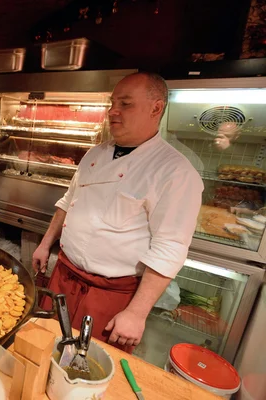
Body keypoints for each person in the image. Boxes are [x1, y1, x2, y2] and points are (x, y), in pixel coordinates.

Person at [33, 72, 203, 352]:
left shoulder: (175, 172)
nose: (113, 112)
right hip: (63, 278)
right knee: (44, 349)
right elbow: (68, 201)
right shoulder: (95, 154)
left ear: (156, 108)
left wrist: (137, 313)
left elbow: (169, 247)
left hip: (110, 296)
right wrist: (44, 244)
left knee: (88, 369)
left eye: (125, 104)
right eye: (112, 103)